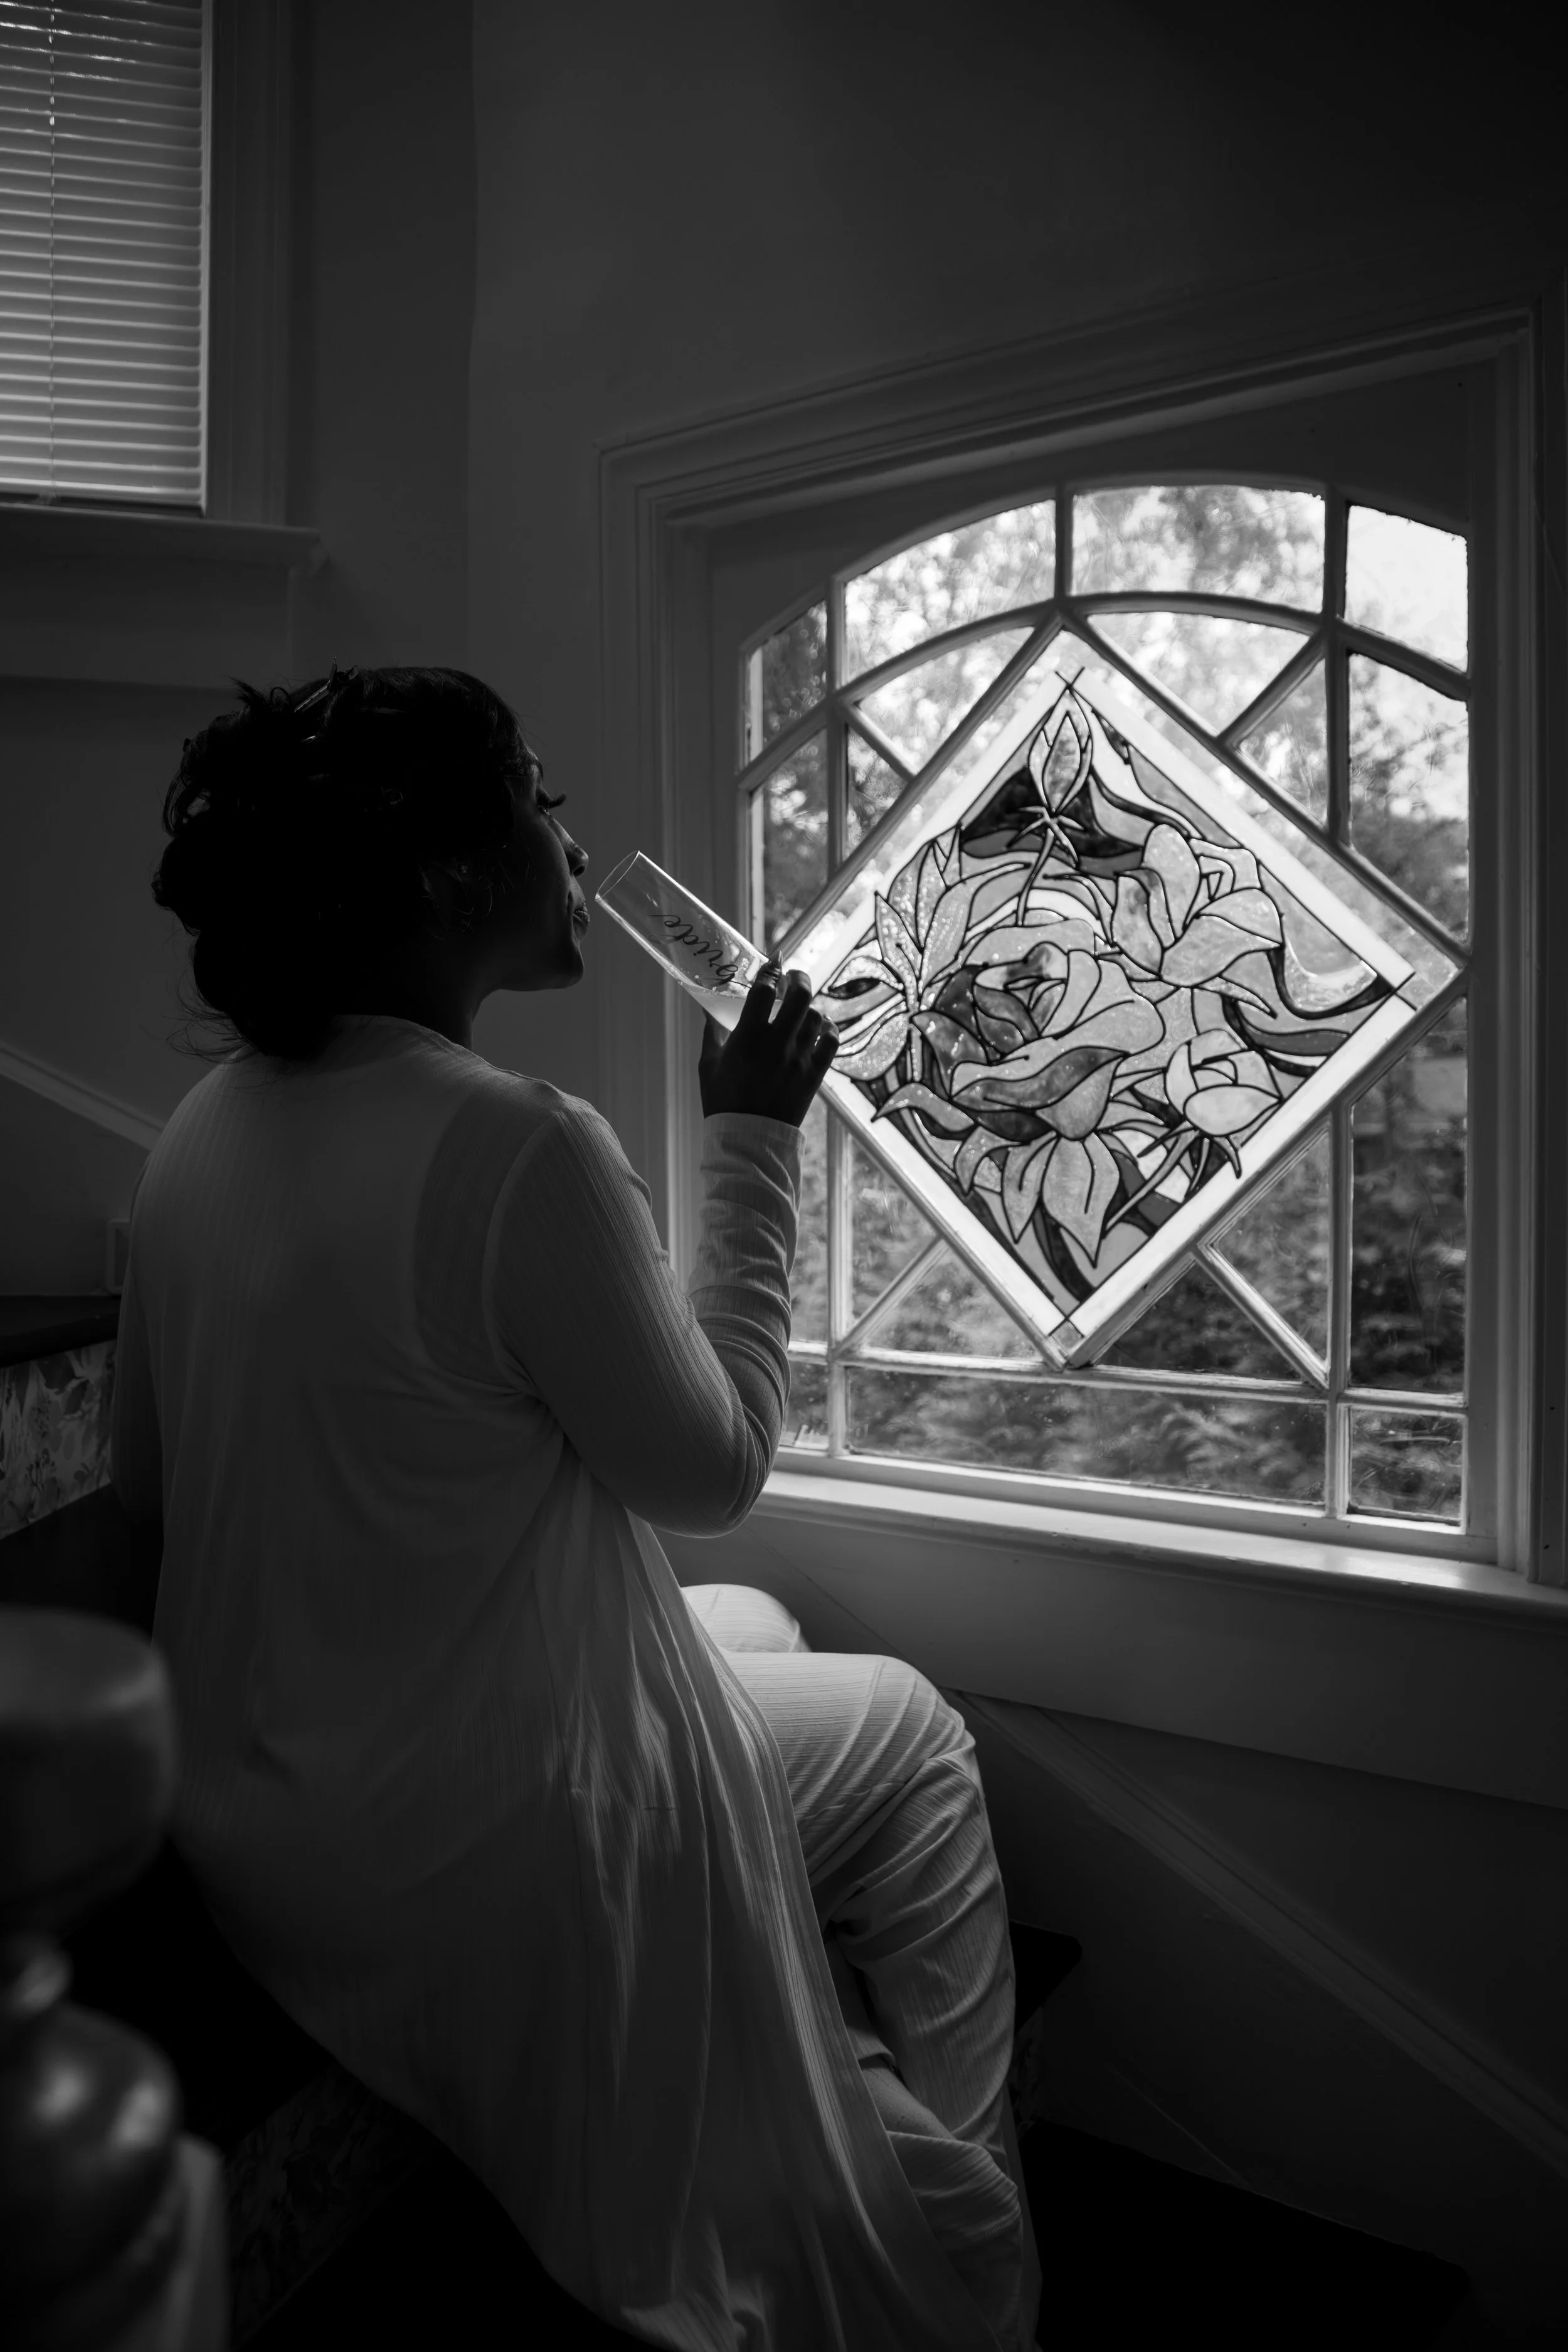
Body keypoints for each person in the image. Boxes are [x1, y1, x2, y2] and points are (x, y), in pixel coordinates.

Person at [110, 662, 1041, 2350]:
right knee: (908, 1732)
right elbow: (711, 1468)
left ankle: (814, 2064)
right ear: (459, 871)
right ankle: (953, 2198)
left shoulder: (197, 1131)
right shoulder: (513, 1144)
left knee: (746, 1631)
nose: (575, 837)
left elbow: (152, 1499)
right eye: (541, 797)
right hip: (470, 1864)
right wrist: (752, 1139)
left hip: (263, 1826)